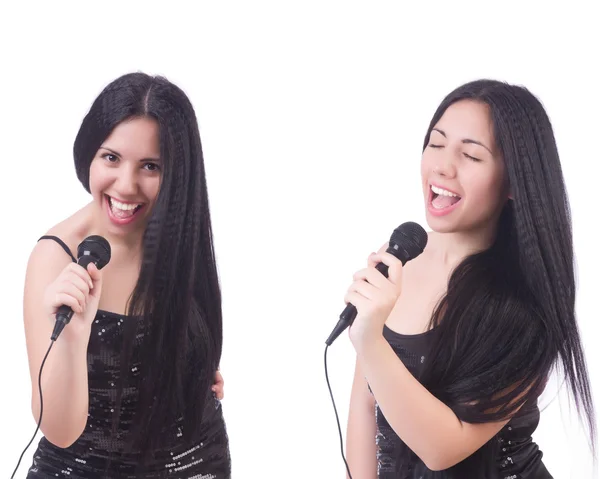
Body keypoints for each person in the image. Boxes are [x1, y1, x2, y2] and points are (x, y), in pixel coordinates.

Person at [344, 79, 596, 478]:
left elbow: (443, 448)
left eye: (471, 156)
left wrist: (370, 341)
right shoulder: (399, 259)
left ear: (513, 182)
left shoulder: (528, 304)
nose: (443, 166)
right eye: (436, 143)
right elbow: (364, 404)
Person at [23, 72, 231, 478]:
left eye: (150, 166)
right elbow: (59, 431)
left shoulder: (177, 235)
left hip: (194, 462)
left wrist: (192, 364)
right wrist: (72, 337)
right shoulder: (55, 258)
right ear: (89, 154)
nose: (126, 184)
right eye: (111, 158)